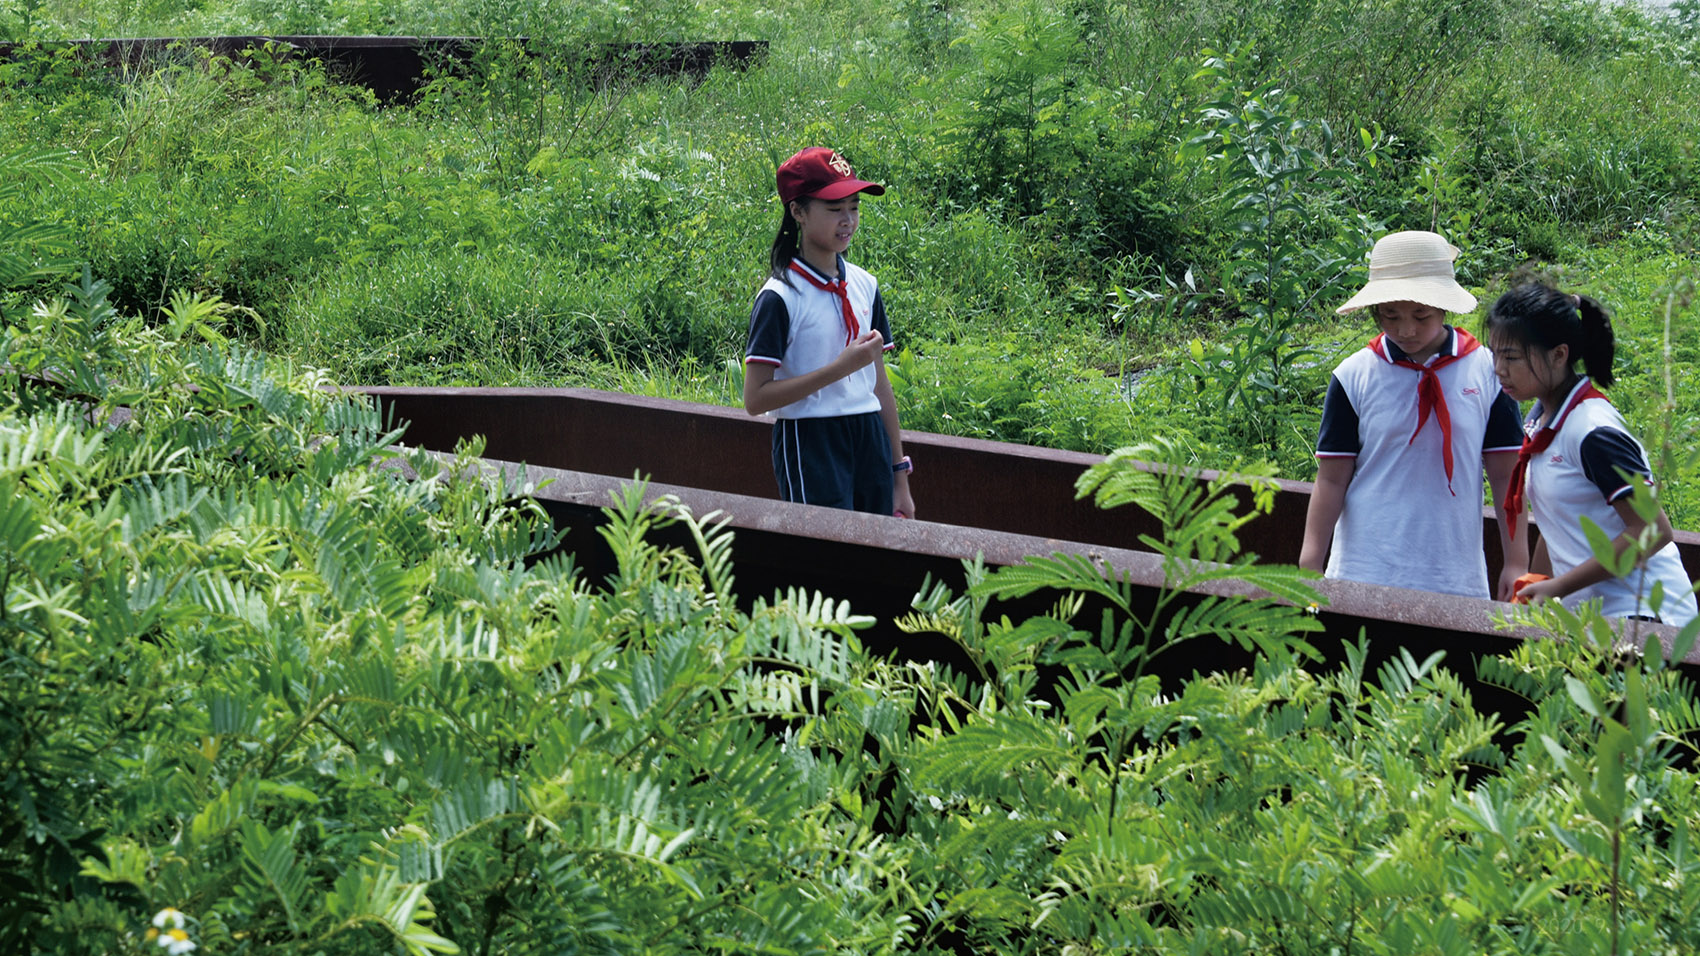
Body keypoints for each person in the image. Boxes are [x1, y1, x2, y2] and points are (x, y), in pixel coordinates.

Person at [1299, 230, 1528, 599]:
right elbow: (1331, 480)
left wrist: (1517, 562)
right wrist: (1310, 561)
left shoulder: (1487, 371)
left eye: (1421, 315)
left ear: (1443, 306)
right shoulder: (1354, 376)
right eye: (1390, 315)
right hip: (1363, 572)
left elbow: (1506, 476)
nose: (1407, 330)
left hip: (1454, 578)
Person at [1484, 282, 1697, 627]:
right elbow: (1558, 526)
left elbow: (1653, 530)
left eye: (1511, 357)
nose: (1498, 369)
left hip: (1646, 621)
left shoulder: (1593, 431)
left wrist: (1560, 587)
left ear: (1559, 354)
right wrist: (1535, 584)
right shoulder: (1543, 419)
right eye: (1494, 354)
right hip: (1597, 621)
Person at [743, 147, 915, 518]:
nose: (848, 220)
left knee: (875, 555)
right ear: (798, 212)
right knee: (824, 562)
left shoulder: (865, 284)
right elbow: (755, 400)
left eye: (853, 207)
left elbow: (878, 383)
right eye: (834, 209)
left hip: (869, 437)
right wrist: (839, 369)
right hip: (810, 441)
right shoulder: (780, 297)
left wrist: (899, 474)